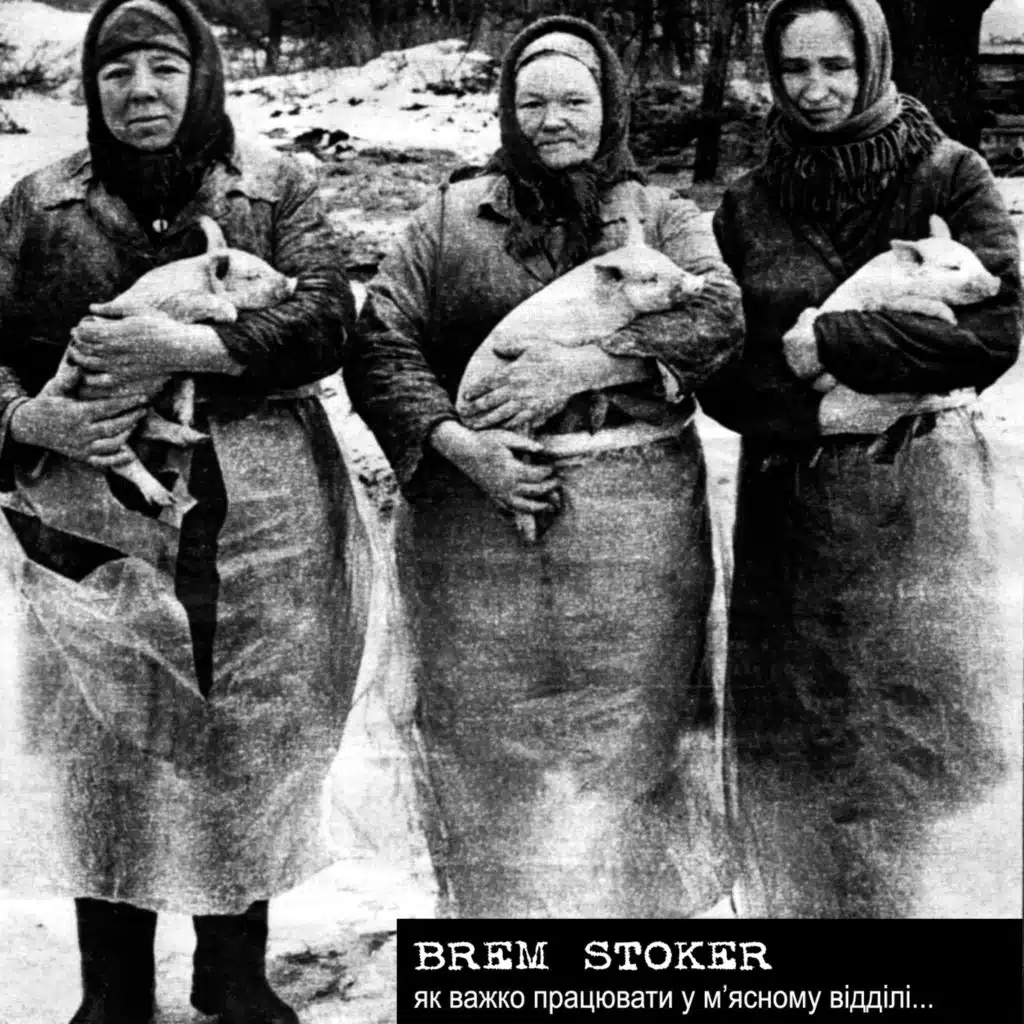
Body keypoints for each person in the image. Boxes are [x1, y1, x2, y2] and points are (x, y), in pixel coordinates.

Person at [0, 0, 368, 1020]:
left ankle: (232, 971)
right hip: (90, 502)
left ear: (201, 75)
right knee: (104, 733)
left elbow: (329, 313)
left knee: (245, 725)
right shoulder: (40, 204)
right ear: (91, 87)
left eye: (164, 67)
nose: (142, 91)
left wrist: (200, 349)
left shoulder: (274, 187)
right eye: (116, 72)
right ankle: (112, 986)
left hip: (257, 501)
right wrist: (30, 418)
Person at [345, 15, 744, 918]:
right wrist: (461, 447)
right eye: (532, 103)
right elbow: (381, 346)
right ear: (506, 110)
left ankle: (627, 945)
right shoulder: (448, 220)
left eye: (574, 100)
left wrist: (590, 365)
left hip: (636, 523)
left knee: (634, 728)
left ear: (610, 106)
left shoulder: (662, 217)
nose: (553, 120)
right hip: (478, 516)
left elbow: (719, 317)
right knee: (487, 731)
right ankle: (501, 938)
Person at [702, 0, 1023, 917]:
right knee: (801, 729)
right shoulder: (750, 202)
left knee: (917, 727)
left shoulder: (947, 174)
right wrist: (811, 414)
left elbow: (992, 331)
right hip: (791, 501)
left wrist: (833, 343)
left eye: (836, 66)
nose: (815, 90)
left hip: (918, 490)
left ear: (872, 61)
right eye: (794, 68)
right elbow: (722, 365)